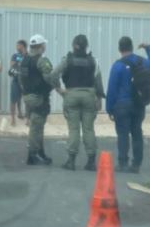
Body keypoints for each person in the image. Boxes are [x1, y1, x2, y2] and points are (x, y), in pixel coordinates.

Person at [51, 34, 106, 171]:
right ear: (86, 46)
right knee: (88, 129)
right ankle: (91, 162)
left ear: (73, 45)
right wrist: (99, 99)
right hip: (89, 96)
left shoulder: (67, 60)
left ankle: (71, 161)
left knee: (74, 129)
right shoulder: (93, 61)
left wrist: (59, 90)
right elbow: (98, 81)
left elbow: (53, 75)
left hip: (72, 95)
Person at [106, 36, 150, 174]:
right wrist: (148, 48)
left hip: (122, 106)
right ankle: (136, 164)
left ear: (119, 49)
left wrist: (109, 108)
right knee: (137, 133)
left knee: (123, 134)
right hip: (139, 105)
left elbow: (112, 89)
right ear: (132, 47)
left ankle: (123, 163)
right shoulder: (142, 62)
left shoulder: (118, 66)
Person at [19, 34, 54, 165]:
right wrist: (54, 87)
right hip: (39, 97)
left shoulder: (25, 60)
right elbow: (49, 77)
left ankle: (40, 153)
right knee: (37, 127)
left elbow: (20, 78)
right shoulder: (41, 61)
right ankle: (33, 154)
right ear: (40, 47)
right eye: (44, 45)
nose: (45, 47)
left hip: (28, 97)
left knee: (36, 125)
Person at [9, 40, 28, 127]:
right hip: (16, 80)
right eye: (17, 45)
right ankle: (13, 118)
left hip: (26, 81)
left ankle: (28, 119)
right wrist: (20, 60)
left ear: (23, 46)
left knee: (27, 100)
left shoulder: (29, 55)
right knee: (14, 99)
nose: (17, 47)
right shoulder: (15, 55)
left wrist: (25, 56)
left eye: (18, 45)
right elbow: (12, 65)